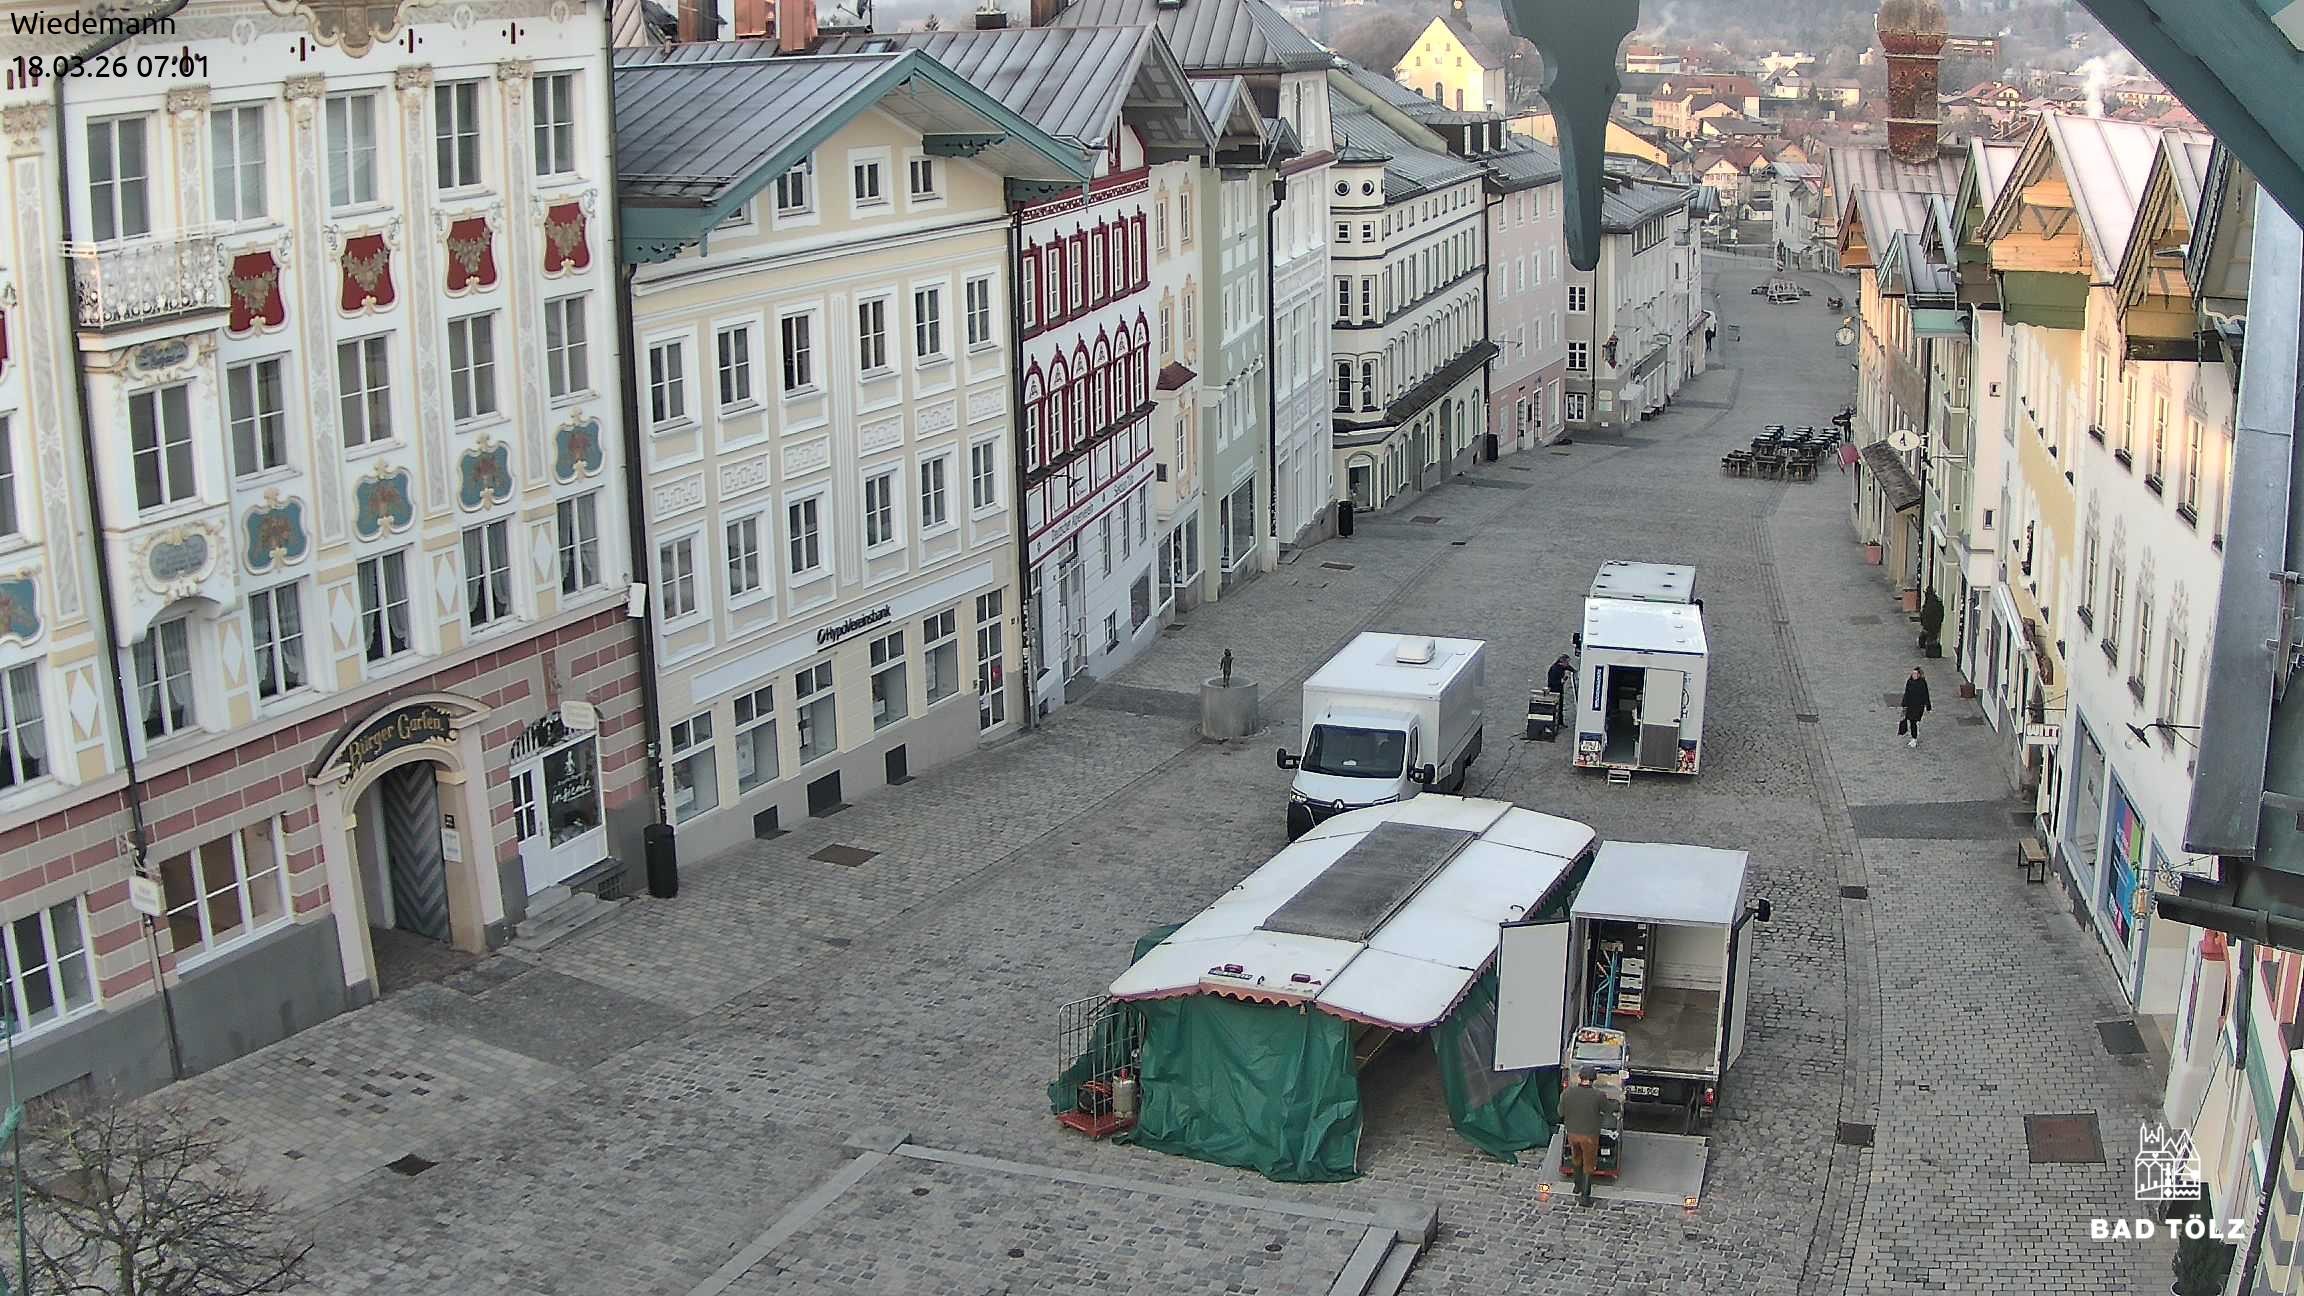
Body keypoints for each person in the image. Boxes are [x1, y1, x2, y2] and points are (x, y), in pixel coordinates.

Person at [1559, 1066, 1615, 1207]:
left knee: (1576, 1157)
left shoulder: (1567, 1093)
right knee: (1589, 1164)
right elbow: (1608, 1110)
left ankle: (1577, 1186)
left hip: (1572, 1133)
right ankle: (1585, 1196)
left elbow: (1560, 1112)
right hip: (1589, 1136)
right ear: (1593, 1079)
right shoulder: (1598, 1095)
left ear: (1580, 1077)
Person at [1899, 667, 1932, 748]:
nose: (1914, 675)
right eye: (1913, 673)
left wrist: (1928, 705)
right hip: (1910, 705)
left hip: (1918, 706)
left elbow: (1925, 694)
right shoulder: (1909, 682)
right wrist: (1904, 704)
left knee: (1914, 721)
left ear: (1919, 675)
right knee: (1911, 721)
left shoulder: (1922, 683)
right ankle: (1913, 737)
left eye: (1916, 674)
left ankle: (1914, 737)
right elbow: (1906, 693)